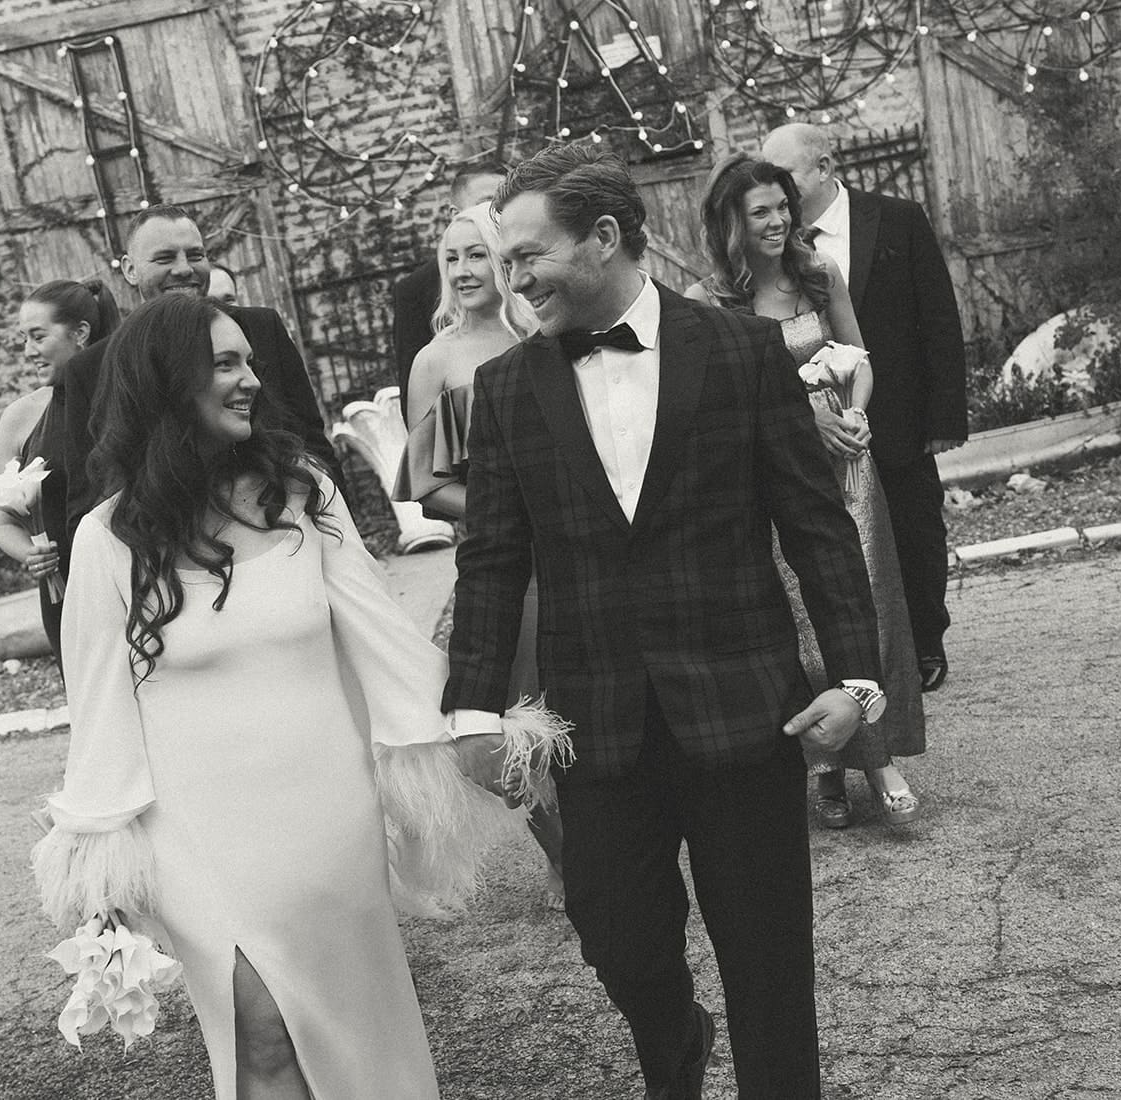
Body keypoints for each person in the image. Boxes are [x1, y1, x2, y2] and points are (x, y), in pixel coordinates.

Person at [442, 144, 885, 1099]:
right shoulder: (510, 391)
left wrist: (858, 680)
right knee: (618, 938)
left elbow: (816, 528)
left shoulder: (740, 353)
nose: (512, 280)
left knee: (770, 966)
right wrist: (471, 709)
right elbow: (491, 558)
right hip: (597, 730)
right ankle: (674, 1039)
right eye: (503, 262)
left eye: (526, 256)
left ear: (604, 238)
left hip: (745, 716)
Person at [31, 294, 539, 1099]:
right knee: (259, 1035)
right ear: (170, 382)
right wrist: (99, 865)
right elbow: (99, 707)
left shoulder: (303, 495)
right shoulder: (105, 539)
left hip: (326, 825)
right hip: (196, 838)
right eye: (226, 365)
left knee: (359, 1042)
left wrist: (469, 728)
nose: (250, 382)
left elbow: (382, 633)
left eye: (250, 363)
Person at [685, 154, 925, 828]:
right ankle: (823, 765)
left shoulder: (819, 275)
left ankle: (877, 760)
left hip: (847, 465)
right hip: (769, 478)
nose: (778, 219)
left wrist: (854, 416)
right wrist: (803, 422)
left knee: (867, 600)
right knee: (796, 619)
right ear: (732, 222)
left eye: (782, 206)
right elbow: (718, 402)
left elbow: (859, 357)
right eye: (760, 211)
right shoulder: (709, 304)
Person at [392, 202, 567, 908]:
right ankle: (563, 856)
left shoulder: (549, 337)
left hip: (576, 552)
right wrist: (513, 510)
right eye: (450, 259)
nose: (463, 271)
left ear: (503, 259)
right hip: (502, 566)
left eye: (475, 254)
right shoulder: (435, 362)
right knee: (516, 717)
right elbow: (426, 487)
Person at [761, 122, 968, 694]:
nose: (777, 193)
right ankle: (859, 654)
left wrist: (945, 417)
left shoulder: (897, 219)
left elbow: (938, 318)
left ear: (824, 169)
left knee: (915, 528)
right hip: (815, 426)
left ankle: (927, 641)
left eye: (788, 177)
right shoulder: (771, 251)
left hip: (897, 412)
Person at [57, 203, 343, 552]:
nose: (184, 269)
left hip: (282, 538)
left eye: (195, 255)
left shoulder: (261, 329)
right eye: (164, 258)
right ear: (130, 270)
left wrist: (336, 540)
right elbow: (86, 499)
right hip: (167, 557)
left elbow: (313, 444)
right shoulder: (90, 368)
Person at [0, 279, 119, 662]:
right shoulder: (19, 418)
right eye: (23, 339)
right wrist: (30, 553)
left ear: (80, 333)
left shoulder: (119, 402)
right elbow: (4, 523)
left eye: (37, 336)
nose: (28, 351)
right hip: (64, 596)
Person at [390, 161, 508, 413]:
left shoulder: (535, 272)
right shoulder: (416, 292)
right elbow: (422, 418)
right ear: (454, 214)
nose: (497, 213)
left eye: (505, 204)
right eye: (487, 204)